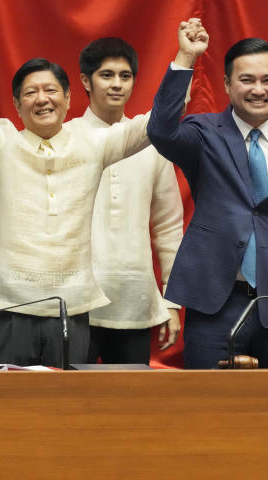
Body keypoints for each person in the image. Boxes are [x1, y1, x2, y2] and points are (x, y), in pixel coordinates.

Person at [0, 14, 151, 367]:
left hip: (70, 308)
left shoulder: (93, 144)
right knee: (4, 410)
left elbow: (155, 125)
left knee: (65, 413)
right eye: (30, 93)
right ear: (17, 104)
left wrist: (185, 60)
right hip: (6, 305)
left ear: (69, 98)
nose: (42, 99)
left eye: (51, 90)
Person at [147, 19, 268, 369]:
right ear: (227, 84)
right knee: (210, 411)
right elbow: (160, 130)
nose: (258, 90)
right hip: (214, 303)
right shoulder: (203, 133)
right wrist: (185, 59)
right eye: (246, 80)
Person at [72, 37, 184, 365]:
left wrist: (172, 302)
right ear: (85, 80)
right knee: (69, 407)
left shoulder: (153, 144)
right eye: (107, 75)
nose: (117, 84)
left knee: (131, 407)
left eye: (125, 76)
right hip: (76, 301)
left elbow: (168, 227)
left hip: (134, 299)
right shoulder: (65, 138)